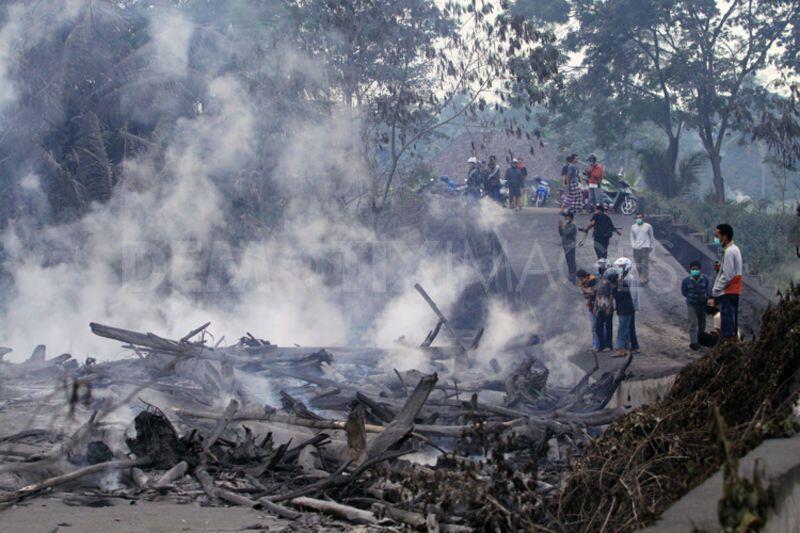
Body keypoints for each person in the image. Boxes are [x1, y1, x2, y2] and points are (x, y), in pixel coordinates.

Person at [708, 223, 743, 342]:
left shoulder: (729, 252)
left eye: (717, 236)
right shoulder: (735, 249)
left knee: (727, 324)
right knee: (732, 321)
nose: (716, 239)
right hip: (734, 290)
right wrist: (720, 269)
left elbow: (728, 276)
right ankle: (732, 342)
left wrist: (716, 290)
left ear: (725, 236)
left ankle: (729, 346)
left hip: (728, 291)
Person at [681, 260, 710, 350]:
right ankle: (694, 342)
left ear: (700, 270)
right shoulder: (686, 281)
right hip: (691, 304)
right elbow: (684, 292)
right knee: (693, 322)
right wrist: (691, 298)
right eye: (693, 269)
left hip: (702, 304)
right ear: (690, 270)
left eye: (696, 269)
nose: (695, 271)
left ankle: (700, 340)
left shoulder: (705, 280)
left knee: (702, 324)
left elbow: (707, 291)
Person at [614, 257, 639, 353]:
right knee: (627, 327)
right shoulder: (621, 277)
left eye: (621, 266)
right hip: (624, 306)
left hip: (629, 306)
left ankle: (635, 346)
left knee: (630, 326)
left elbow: (633, 294)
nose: (619, 268)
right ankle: (629, 346)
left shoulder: (630, 278)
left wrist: (632, 306)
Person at [577, 269, 600, 351]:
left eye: (580, 278)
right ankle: (595, 344)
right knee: (594, 327)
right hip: (591, 306)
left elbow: (595, 293)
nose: (580, 280)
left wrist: (594, 307)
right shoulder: (583, 283)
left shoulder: (593, 280)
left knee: (596, 326)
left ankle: (598, 345)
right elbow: (586, 295)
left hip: (596, 306)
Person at [630, 212, 654, 285]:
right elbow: (632, 237)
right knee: (638, 264)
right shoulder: (633, 227)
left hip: (645, 247)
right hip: (636, 248)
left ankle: (643, 279)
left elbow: (651, 237)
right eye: (637, 217)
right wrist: (633, 245)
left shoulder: (648, 226)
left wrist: (651, 246)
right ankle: (642, 276)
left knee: (644, 264)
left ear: (643, 218)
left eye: (640, 217)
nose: (638, 219)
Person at [594, 269, 615, 352]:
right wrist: (595, 305)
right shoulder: (599, 281)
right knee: (598, 327)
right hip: (600, 308)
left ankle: (609, 346)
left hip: (607, 308)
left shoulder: (609, 282)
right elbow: (597, 294)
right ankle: (602, 345)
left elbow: (611, 295)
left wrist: (609, 307)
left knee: (608, 327)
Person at [558, 210, 577, 282]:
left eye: (566, 216)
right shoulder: (567, 224)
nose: (565, 218)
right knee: (568, 261)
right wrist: (560, 227)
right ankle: (571, 275)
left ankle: (573, 276)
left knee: (571, 261)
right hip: (566, 246)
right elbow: (561, 233)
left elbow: (566, 233)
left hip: (570, 246)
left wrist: (562, 226)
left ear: (570, 217)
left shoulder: (572, 225)